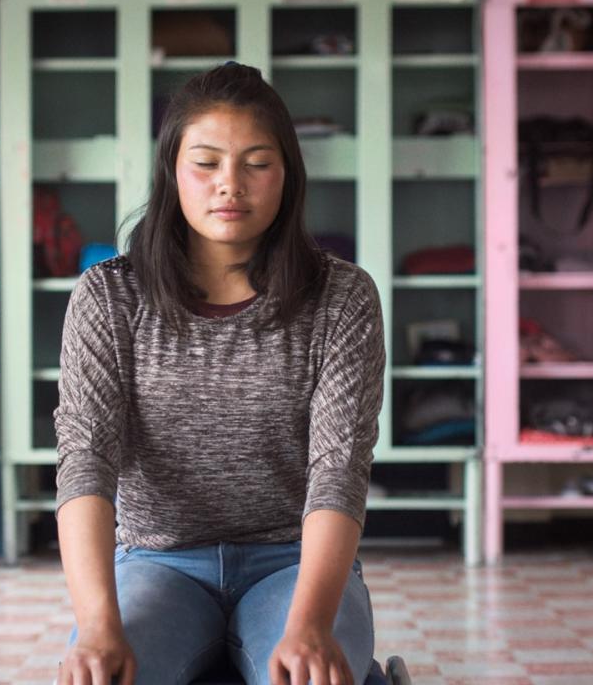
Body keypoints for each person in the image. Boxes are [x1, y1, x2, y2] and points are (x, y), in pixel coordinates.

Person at [55, 61, 386, 685]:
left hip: (293, 564)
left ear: (287, 175)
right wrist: (98, 625)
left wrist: (310, 624)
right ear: (172, 173)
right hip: (157, 561)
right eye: (206, 163)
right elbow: (85, 458)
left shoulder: (343, 297)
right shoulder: (108, 297)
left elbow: (339, 468)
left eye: (257, 163)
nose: (229, 184)